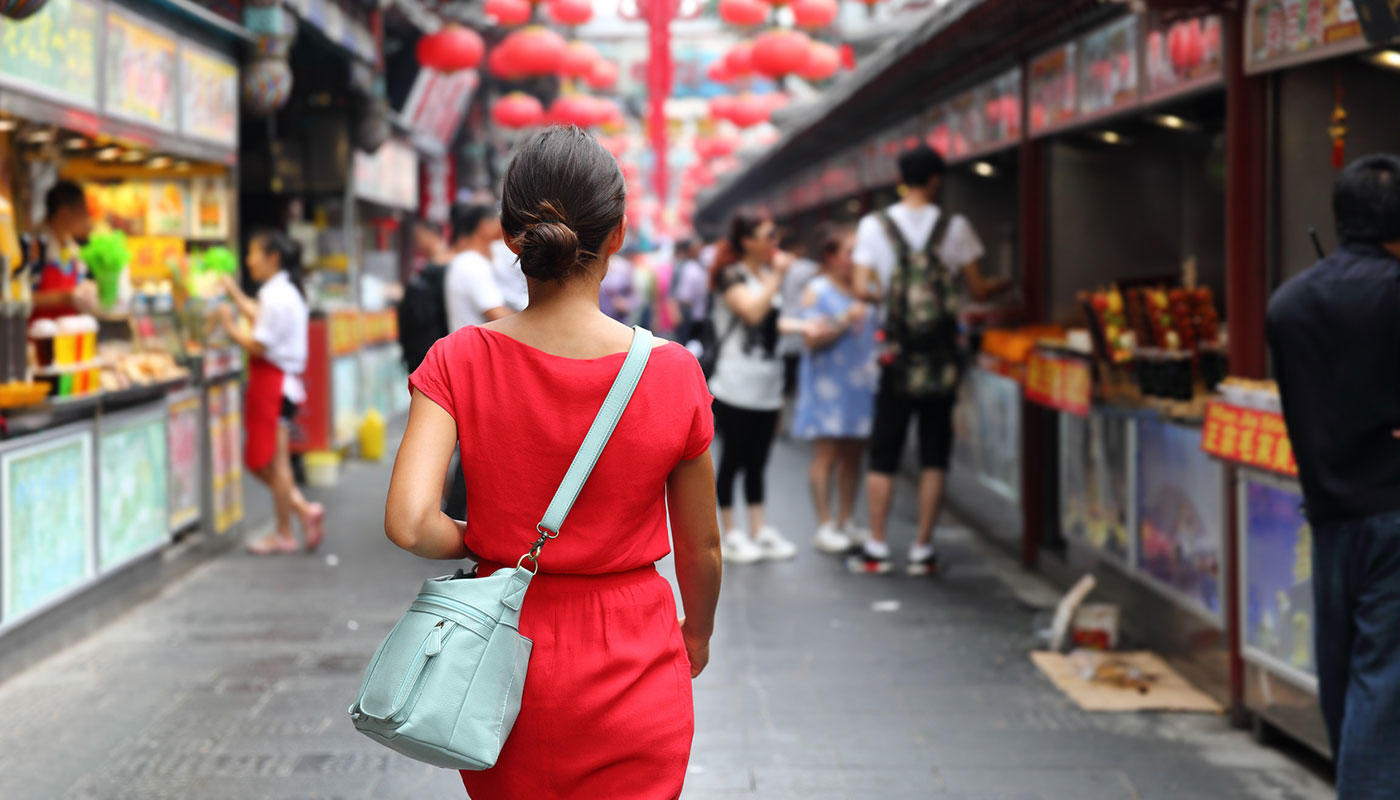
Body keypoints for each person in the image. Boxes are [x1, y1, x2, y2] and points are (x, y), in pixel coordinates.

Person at [383, 126, 722, 800]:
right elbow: (702, 547)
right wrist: (699, 632)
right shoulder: (672, 372)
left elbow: (410, 523)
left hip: (502, 659)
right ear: (619, 235)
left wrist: (485, 540)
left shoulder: (458, 359)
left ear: (511, 237)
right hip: (636, 655)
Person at [1266, 153, 1400, 800]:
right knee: (1383, 680)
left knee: (1344, 676)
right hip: (1394, 513)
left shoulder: (1288, 303)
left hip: (1327, 515)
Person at [849, 145, 1010, 575]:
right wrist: (1007, 284)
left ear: (901, 177)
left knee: (884, 451)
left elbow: (862, 287)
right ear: (936, 179)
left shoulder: (873, 226)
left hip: (895, 356)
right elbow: (977, 290)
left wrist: (889, 298)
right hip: (940, 358)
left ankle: (877, 545)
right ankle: (922, 548)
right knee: (934, 453)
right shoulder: (954, 227)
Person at [218, 229, 324, 555]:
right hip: (280, 383)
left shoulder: (273, 295)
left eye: (253, 252)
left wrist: (229, 327)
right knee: (268, 461)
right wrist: (235, 293)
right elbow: (262, 320)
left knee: (273, 463)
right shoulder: (284, 292)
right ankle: (301, 512)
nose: (248, 260)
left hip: (274, 383)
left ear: (272, 258)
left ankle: (285, 532)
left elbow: (259, 343)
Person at [708, 212, 803, 564]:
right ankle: (731, 533)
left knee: (760, 460)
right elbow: (751, 313)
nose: (775, 244)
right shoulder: (731, 276)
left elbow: (771, 324)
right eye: (768, 236)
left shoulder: (763, 276)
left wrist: (806, 327)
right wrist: (778, 278)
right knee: (734, 457)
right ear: (748, 240)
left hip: (768, 383)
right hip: (735, 384)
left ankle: (759, 528)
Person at [791, 227, 878, 554]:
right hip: (827, 386)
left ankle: (846, 519)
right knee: (826, 455)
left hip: (861, 384)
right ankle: (825, 524)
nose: (856, 259)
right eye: (849, 252)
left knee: (854, 454)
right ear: (831, 256)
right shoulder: (817, 290)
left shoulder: (866, 289)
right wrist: (843, 318)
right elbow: (811, 338)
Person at [31, 180, 98, 321]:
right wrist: (65, 298)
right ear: (64, 214)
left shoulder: (72, 247)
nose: (87, 218)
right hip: (40, 337)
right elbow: (19, 299)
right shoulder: (35, 247)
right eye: (83, 212)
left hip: (67, 337)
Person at [397, 219, 452, 374]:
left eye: (418, 237)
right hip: (424, 354)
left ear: (431, 235)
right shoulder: (432, 268)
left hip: (430, 353)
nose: (416, 243)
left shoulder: (442, 269)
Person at [445, 202, 511, 331]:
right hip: (474, 349)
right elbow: (497, 314)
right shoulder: (472, 264)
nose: (503, 228)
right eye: (498, 222)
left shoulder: (471, 261)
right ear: (484, 226)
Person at [777, 231, 820, 408]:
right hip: (801, 329)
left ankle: (779, 422)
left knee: (784, 383)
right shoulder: (805, 267)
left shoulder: (774, 268)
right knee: (800, 380)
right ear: (797, 247)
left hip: (783, 329)